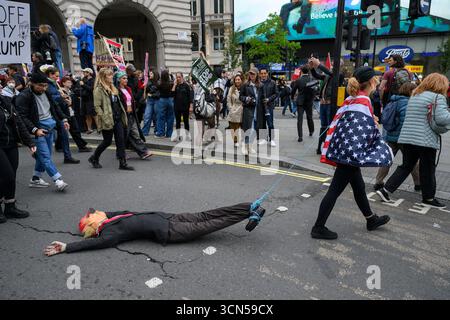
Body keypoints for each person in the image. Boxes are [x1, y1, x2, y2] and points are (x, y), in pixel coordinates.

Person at [312, 66, 392, 240]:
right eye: (376, 79)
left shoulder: (352, 99)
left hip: (345, 150)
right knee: (334, 190)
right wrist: (374, 123)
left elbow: (351, 125)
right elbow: (363, 130)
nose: (377, 82)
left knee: (359, 187)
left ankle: (371, 219)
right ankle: (318, 227)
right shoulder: (364, 101)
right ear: (371, 81)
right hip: (350, 154)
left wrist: (372, 120)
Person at [44, 203, 266, 256]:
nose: (96, 212)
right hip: (170, 232)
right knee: (209, 224)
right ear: (92, 225)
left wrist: (99, 215)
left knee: (207, 214)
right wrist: (67, 247)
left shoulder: (110, 218)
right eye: (92, 215)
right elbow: (95, 242)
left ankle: (249, 206)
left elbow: (112, 212)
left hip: (168, 217)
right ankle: (248, 214)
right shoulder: (109, 233)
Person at [376, 73, 450, 209]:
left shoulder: (415, 95)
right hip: (425, 139)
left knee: (406, 166)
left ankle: (385, 190)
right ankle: (428, 197)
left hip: (407, 138)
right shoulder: (437, 97)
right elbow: (442, 119)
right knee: (427, 169)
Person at [15, 72, 70, 192]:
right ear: (32, 83)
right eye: (40, 85)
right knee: (45, 156)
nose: (43, 88)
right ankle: (58, 180)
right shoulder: (24, 96)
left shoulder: (47, 92)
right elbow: (22, 117)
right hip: (37, 130)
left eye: (45, 85)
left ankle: (35, 179)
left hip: (49, 128)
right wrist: (35, 130)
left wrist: (63, 119)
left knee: (45, 155)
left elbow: (54, 107)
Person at [374, 82, 420, 192]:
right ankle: (418, 184)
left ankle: (378, 182)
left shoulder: (393, 101)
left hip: (391, 136)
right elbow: (406, 121)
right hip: (404, 138)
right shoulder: (408, 103)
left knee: (387, 160)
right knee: (412, 161)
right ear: (410, 91)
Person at [0, 95, 37, 223]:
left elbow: (18, 122)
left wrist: (30, 142)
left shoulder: (5, 100)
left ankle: (10, 207)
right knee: (6, 175)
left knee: (11, 176)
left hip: (10, 144)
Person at [88, 68, 133, 171]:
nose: (111, 77)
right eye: (109, 75)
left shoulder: (113, 88)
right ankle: (94, 158)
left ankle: (123, 163)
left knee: (121, 140)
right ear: (104, 77)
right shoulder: (98, 90)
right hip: (107, 119)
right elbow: (97, 107)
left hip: (117, 118)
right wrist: (104, 118)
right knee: (107, 142)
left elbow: (118, 103)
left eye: (112, 75)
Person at [44, 66, 80, 164]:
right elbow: (51, 98)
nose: (57, 77)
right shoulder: (47, 84)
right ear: (50, 75)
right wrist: (61, 97)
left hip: (58, 112)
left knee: (63, 134)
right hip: (52, 113)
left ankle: (66, 156)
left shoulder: (54, 84)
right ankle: (43, 157)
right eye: (55, 76)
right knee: (48, 136)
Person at [309, 57, 345, 154]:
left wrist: (319, 65)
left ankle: (329, 147)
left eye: (335, 64)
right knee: (323, 126)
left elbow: (332, 74)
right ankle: (319, 148)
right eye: (332, 64)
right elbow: (316, 75)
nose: (332, 65)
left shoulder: (339, 75)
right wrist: (312, 68)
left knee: (330, 126)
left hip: (330, 104)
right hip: (324, 104)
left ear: (340, 66)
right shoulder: (328, 75)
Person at [116, 71, 153, 160]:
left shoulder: (128, 89)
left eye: (126, 78)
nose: (126, 80)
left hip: (131, 115)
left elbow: (135, 98)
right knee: (124, 136)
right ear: (119, 80)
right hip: (123, 116)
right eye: (123, 78)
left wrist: (142, 88)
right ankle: (121, 153)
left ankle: (143, 152)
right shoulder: (116, 90)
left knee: (135, 134)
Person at [60, 76, 92, 153]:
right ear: (63, 83)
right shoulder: (61, 92)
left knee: (75, 131)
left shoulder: (70, 91)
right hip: (65, 114)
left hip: (72, 112)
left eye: (70, 82)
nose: (70, 83)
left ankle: (81, 146)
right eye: (68, 82)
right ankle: (81, 146)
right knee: (73, 131)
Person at [291, 65, 315, 142]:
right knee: (309, 117)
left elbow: (293, 90)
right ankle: (311, 131)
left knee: (300, 119)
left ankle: (300, 136)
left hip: (300, 101)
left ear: (301, 71)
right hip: (309, 101)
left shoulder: (298, 80)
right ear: (308, 71)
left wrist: (292, 97)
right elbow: (314, 91)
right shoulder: (311, 79)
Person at [239, 68, 260, 155]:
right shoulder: (245, 85)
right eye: (250, 74)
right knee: (248, 129)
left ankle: (250, 147)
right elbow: (241, 96)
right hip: (248, 109)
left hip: (258, 110)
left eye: (253, 74)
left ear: (256, 75)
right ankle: (244, 146)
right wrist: (246, 98)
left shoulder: (260, 85)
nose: (251, 75)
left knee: (254, 130)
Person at [257, 68, 279, 147]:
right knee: (262, 123)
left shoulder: (272, 82)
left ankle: (272, 139)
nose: (263, 75)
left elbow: (276, 93)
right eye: (261, 73)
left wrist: (269, 99)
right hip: (260, 106)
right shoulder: (258, 83)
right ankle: (263, 139)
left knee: (270, 123)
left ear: (267, 73)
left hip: (269, 106)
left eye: (264, 73)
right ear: (259, 74)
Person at [172, 72, 194, 141]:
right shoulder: (176, 85)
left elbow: (190, 97)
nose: (178, 78)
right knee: (177, 122)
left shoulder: (186, 86)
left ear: (182, 77)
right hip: (177, 106)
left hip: (185, 106)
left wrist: (191, 106)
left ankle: (187, 135)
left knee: (186, 122)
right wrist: (174, 85)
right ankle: (177, 136)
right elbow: (172, 94)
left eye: (179, 77)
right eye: (177, 77)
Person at [156, 70, 175, 138]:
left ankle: (161, 133)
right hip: (170, 100)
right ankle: (169, 134)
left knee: (161, 117)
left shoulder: (160, 83)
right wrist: (171, 76)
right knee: (170, 117)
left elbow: (156, 88)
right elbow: (173, 81)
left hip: (162, 100)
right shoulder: (171, 83)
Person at [227, 74, 244, 147]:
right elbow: (228, 100)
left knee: (244, 127)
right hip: (234, 110)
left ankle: (244, 141)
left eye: (239, 79)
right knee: (234, 127)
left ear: (241, 80)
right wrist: (231, 108)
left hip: (243, 110)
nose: (237, 81)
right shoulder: (232, 88)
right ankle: (235, 141)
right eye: (236, 79)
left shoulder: (245, 87)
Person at [142, 70, 160, 136]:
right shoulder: (148, 82)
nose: (150, 74)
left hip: (156, 100)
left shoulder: (158, 82)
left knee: (156, 117)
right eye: (149, 73)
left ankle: (157, 131)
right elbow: (145, 94)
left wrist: (152, 95)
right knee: (147, 115)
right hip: (149, 100)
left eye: (151, 73)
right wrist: (145, 88)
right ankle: (145, 131)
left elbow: (159, 94)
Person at [80, 68, 96, 134]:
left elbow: (91, 89)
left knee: (93, 114)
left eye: (85, 72)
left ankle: (99, 128)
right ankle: (89, 128)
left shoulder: (92, 80)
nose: (83, 73)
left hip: (90, 100)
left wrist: (83, 85)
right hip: (84, 100)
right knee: (87, 115)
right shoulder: (83, 79)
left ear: (89, 73)